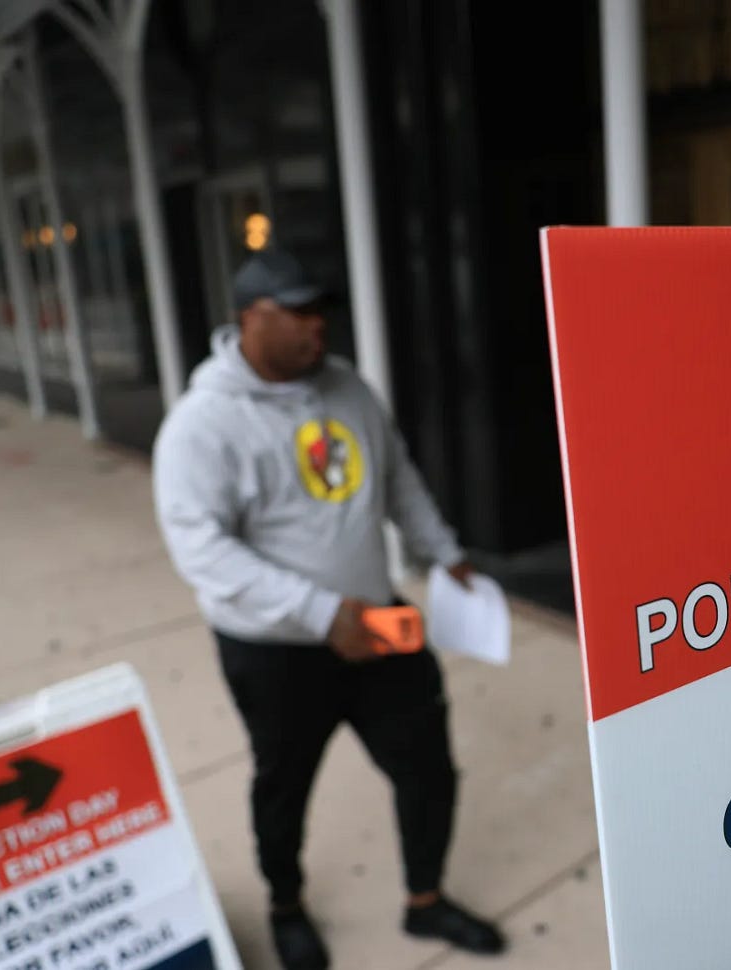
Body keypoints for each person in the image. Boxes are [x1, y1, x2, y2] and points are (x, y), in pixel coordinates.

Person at [152, 247, 505, 969]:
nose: (316, 327)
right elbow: (202, 551)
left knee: (428, 764)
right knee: (283, 786)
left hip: (376, 621)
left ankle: (426, 901)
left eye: (320, 312)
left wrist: (444, 552)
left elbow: (397, 478)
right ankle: (286, 906)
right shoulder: (201, 426)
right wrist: (318, 612)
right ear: (249, 318)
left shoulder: (349, 388)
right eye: (297, 313)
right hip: (274, 648)